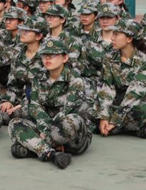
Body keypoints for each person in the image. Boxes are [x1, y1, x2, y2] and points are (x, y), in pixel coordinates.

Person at [8, 39, 94, 169]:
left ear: (65, 58)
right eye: (44, 55)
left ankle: (32, 147)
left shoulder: (75, 80)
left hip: (72, 136)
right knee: (14, 123)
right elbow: (35, 106)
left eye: (53, 55)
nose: (47, 58)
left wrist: (46, 132)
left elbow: (67, 111)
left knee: (72, 120)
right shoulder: (38, 77)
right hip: (48, 128)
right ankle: (51, 154)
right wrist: (45, 128)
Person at [95, 20, 146, 139]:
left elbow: (133, 95)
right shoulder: (109, 57)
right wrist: (104, 117)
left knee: (144, 112)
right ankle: (127, 128)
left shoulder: (144, 62)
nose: (112, 38)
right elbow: (106, 86)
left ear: (129, 39)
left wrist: (114, 120)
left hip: (133, 104)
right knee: (88, 105)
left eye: (116, 34)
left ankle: (114, 127)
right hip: (115, 102)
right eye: (113, 34)